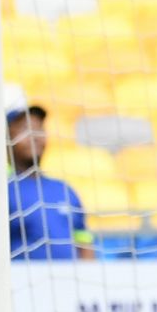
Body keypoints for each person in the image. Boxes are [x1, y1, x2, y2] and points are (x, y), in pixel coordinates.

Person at [6, 105, 93, 261]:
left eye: (39, 129)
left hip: (70, 281)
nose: (34, 136)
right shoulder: (1, 191)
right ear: (7, 138)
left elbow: (83, 240)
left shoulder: (64, 189)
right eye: (25, 129)